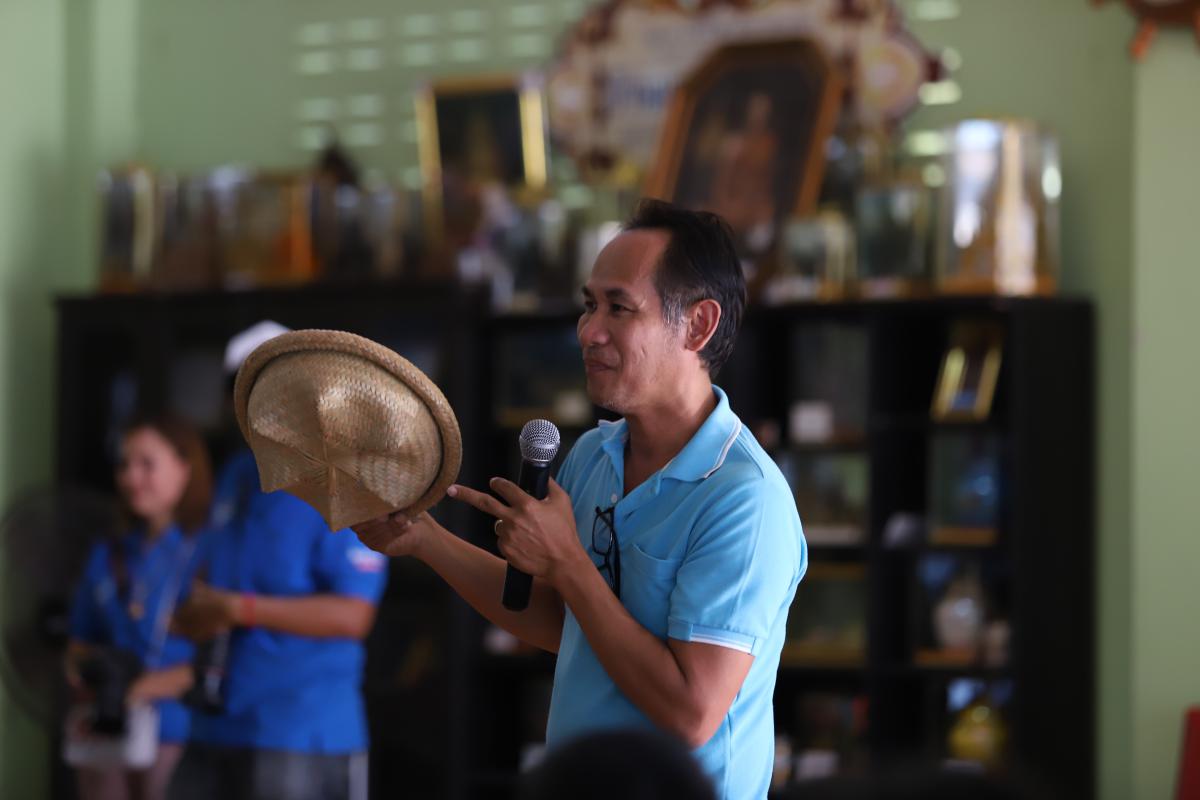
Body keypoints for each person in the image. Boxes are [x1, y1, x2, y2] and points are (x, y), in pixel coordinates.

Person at [354, 199, 808, 799]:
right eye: (589, 304)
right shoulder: (595, 454)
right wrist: (425, 539)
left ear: (698, 326)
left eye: (620, 307)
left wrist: (567, 560)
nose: (589, 331)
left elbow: (691, 713)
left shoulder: (744, 498)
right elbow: (560, 621)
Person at [167, 322, 389, 800]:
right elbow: (207, 575)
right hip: (215, 721)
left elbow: (353, 615)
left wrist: (239, 609)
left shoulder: (341, 480)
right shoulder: (236, 474)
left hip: (299, 729)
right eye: (240, 390)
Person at [66, 415, 213, 800]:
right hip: (107, 728)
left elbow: (220, 656)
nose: (132, 477)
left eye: (147, 464)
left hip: (180, 733)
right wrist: (85, 671)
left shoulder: (210, 550)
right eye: (125, 465)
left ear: (185, 468)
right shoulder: (108, 552)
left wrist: (142, 689)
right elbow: (80, 638)